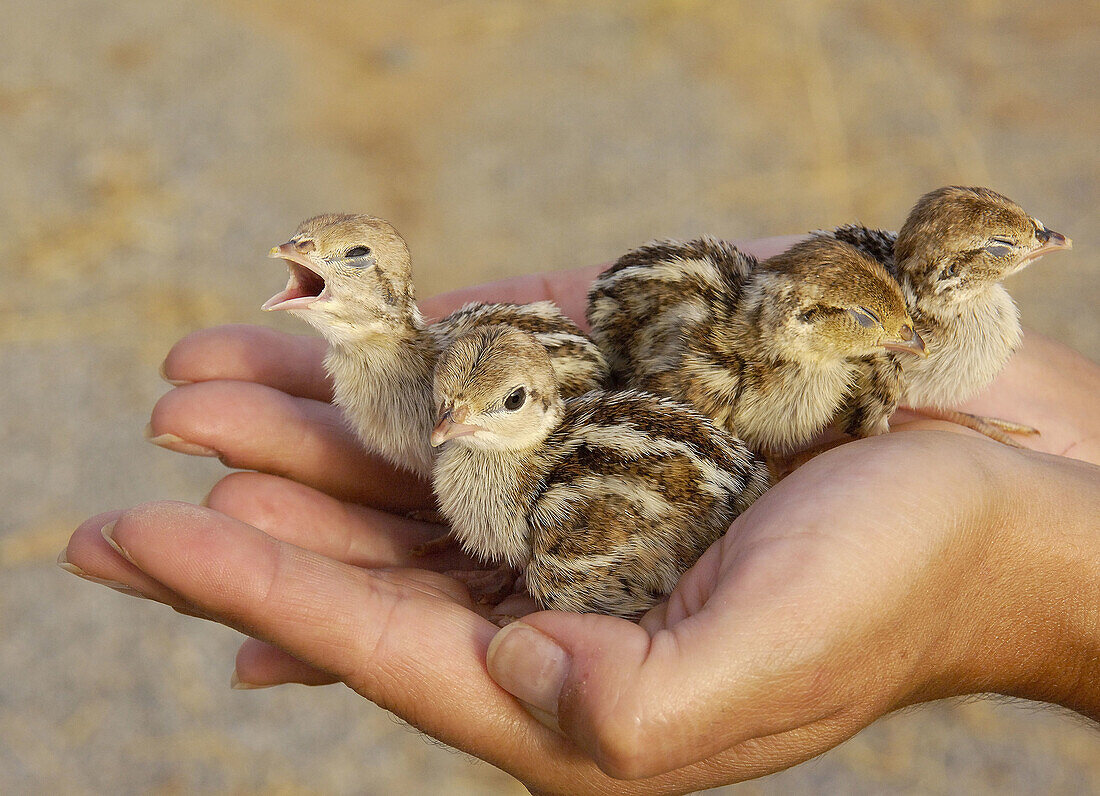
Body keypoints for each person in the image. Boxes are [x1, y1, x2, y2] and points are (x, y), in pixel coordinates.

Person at [61, 236, 1100, 794]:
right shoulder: (542, 443)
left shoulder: (568, 526)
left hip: (653, 463)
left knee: (557, 567)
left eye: (491, 406)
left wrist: (1014, 554)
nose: (448, 425)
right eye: (445, 409)